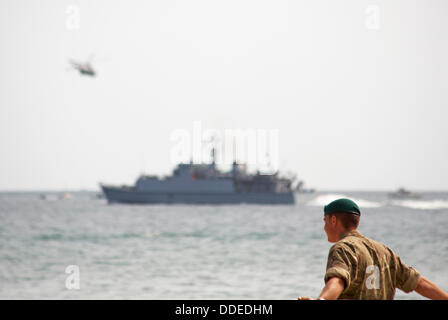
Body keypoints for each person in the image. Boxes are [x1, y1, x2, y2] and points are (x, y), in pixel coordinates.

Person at [298, 198, 448, 300]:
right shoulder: (385, 251)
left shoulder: (343, 248)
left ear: (333, 220)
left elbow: (338, 281)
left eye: (325, 221)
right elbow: (419, 283)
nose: (324, 227)